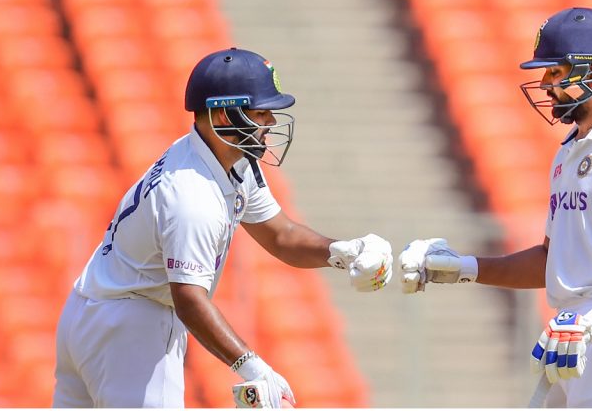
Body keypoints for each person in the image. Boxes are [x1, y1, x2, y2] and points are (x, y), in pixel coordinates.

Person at [52, 47, 393, 408]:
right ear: (222, 113)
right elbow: (189, 300)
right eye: (260, 112)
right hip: (132, 325)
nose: (271, 123)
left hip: (90, 311)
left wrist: (341, 252)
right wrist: (252, 366)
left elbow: (281, 235)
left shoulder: (222, 158)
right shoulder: (193, 196)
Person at [398, 7, 592, 407]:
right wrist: (462, 268)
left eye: (556, 72)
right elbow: (552, 260)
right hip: (576, 324)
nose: (546, 85)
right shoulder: (569, 150)